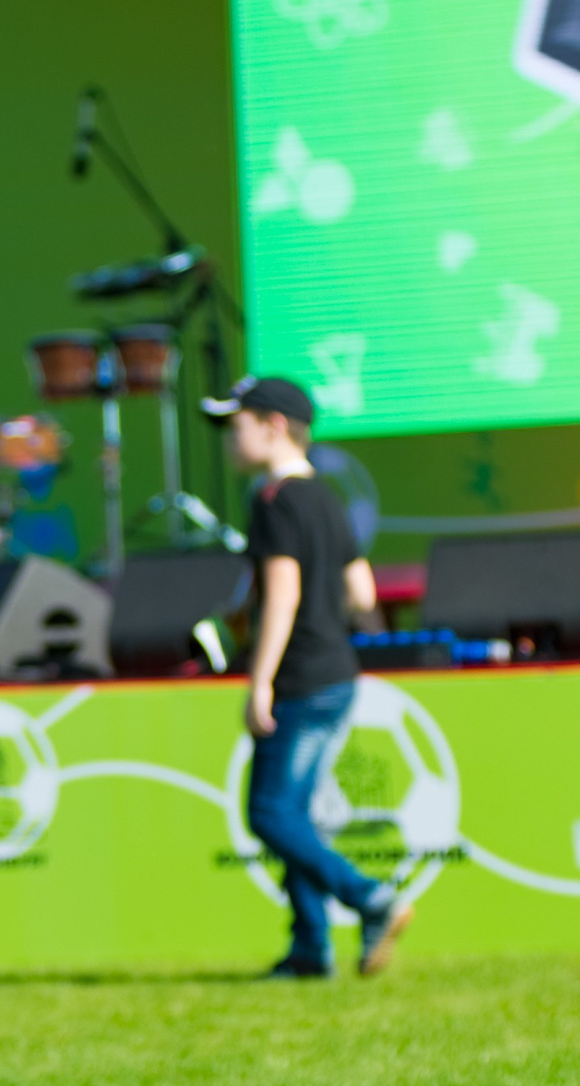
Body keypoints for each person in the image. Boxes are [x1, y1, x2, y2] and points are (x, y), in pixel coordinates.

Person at [204, 374, 410, 978]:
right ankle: (309, 948)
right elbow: (361, 591)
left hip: (298, 678)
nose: (227, 441)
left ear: (272, 427)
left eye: (235, 426)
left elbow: (284, 595)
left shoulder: (273, 501)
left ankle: (370, 898)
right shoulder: (325, 498)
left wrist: (260, 678)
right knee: (296, 813)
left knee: (268, 813)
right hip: (338, 674)